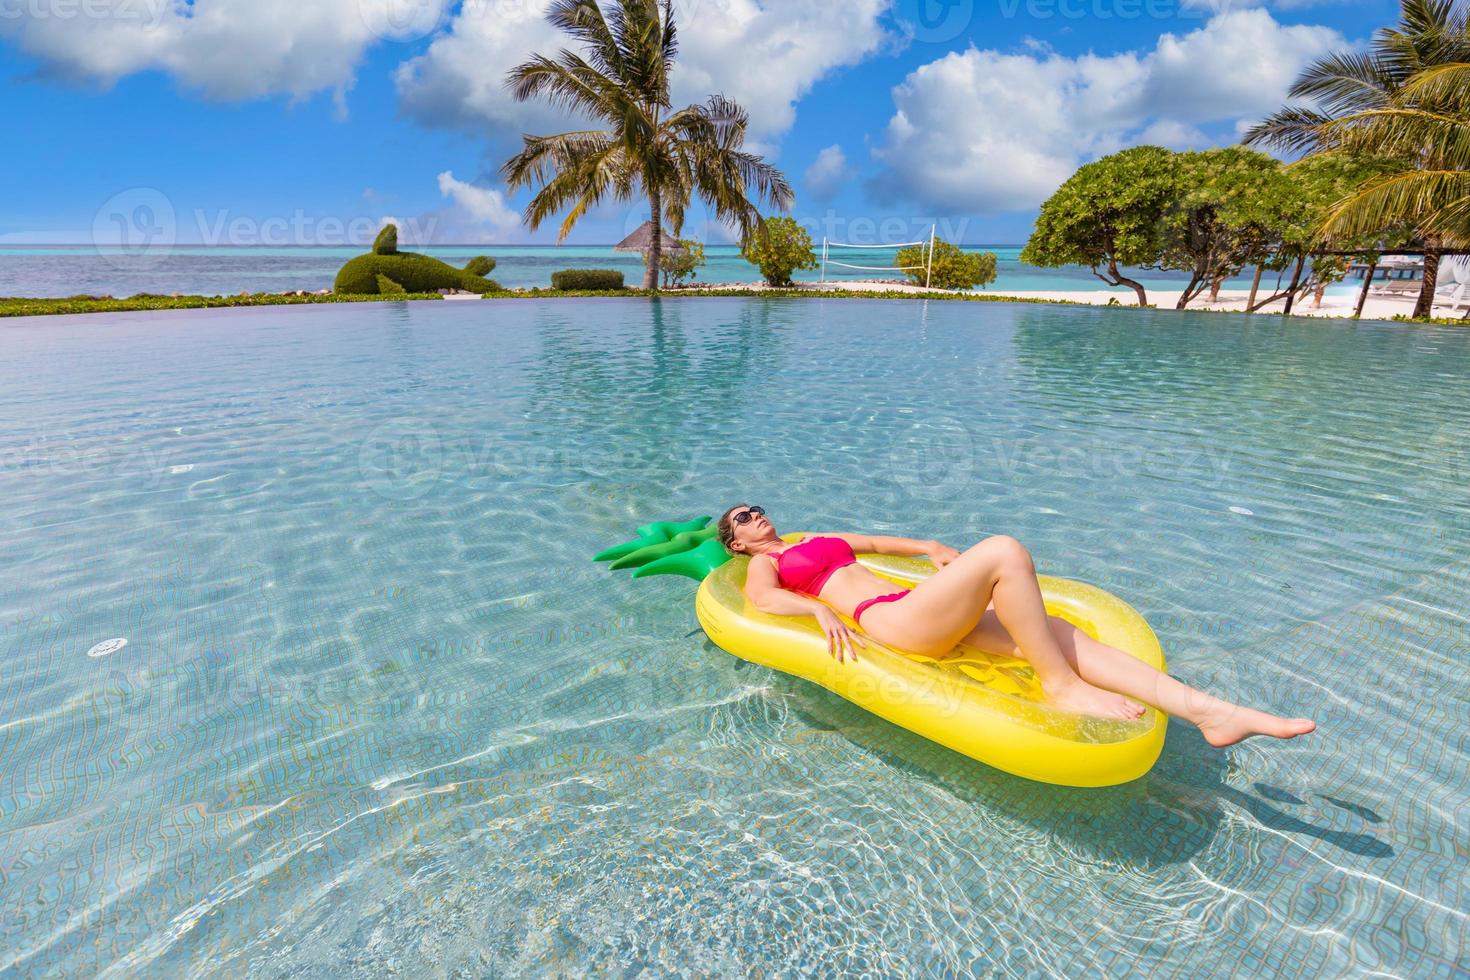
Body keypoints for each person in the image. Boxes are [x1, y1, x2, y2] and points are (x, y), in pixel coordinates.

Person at [717, 504, 1316, 747]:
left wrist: (929, 546)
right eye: (745, 518)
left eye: (758, 508)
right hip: (890, 621)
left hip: (914, 602)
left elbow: (875, 541)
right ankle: (1061, 686)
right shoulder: (764, 566)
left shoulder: (813, 539)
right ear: (737, 543)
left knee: (1056, 631)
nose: (757, 516)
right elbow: (766, 604)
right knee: (1004, 549)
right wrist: (817, 607)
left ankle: (1212, 713)